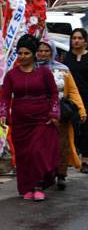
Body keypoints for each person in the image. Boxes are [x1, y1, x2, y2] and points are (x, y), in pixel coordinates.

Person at [0, 34, 60, 200]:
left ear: (34, 54)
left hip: (41, 118)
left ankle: (38, 184)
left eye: (26, 53)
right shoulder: (11, 75)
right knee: (24, 155)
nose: (22, 57)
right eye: (20, 53)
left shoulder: (44, 73)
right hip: (20, 120)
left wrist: (54, 113)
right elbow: (5, 96)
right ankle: (27, 186)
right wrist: (3, 113)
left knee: (37, 151)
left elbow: (54, 94)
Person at [37, 39, 86, 190]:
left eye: (47, 51)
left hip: (60, 113)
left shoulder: (63, 69)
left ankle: (61, 174)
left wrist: (81, 110)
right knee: (42, 146)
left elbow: (72, 91)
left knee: (62, 144)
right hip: (38, 114)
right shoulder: (30, 68)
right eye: (41, 51)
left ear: (53, 52)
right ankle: (43, 175)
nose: (43, 54)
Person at [62, 28, 88, 171]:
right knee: (73, 128)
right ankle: (74, 157)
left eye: (79, 38)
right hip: (71, 100)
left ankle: (85, 160)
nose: (76, 41)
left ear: (85, 41)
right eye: (74, 38)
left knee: (86, 129)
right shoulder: (66, 58)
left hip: (87, 97)